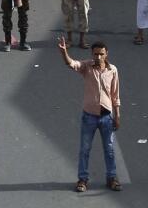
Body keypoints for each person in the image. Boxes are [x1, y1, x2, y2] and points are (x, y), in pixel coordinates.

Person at [56, 37, 121, 193]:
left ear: (106, 54)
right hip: (89, 116)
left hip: (106, 116)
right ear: (92, 54)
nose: (98, 57)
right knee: (85, 149)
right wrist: (65, 52)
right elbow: (71, 64)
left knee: (109, 149)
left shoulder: (113, 70)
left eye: (101, 54)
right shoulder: (87, 67)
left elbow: (115, 95)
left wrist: (117, 116)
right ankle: (82, 179)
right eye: (95, 54)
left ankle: (112, 178)